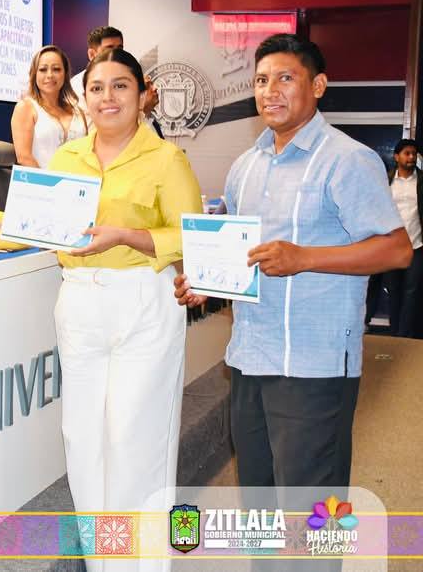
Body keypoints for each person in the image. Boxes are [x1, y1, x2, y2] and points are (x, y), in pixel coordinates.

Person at [0, 47, 202, 572]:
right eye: (96, 88)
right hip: (80, 303)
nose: (107, 97)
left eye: (120, 86)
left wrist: (126, 235)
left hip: (143, 302)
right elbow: (27, 225)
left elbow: (191, 238)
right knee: (83, 441)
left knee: (136, 441)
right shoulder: (67, 159)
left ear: (142, 95)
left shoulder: (166, 159)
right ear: (84, 98)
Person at [175, 33, 411, 489]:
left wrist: (304, 258)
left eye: (285, 78)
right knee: (258, 496)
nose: (270, 91)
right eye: (261, 80)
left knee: (311, 507)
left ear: (317, 85)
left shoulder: (347, 160)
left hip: (314, 363)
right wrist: (208, 283)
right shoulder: (245, 165)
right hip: (250, 356)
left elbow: (397, 249)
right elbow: (241, 254)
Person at [70, 25, 160, 134]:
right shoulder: (76, 86)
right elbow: (89, 129)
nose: (116, 54)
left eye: (119, 49)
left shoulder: (129, 78)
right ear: (92, 54)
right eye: (109, 49)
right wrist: (142, 110)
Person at [11, 45, 86, 169]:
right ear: (34, 74)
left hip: (77, 179)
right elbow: (24, 157)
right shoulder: (26, 107)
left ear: (65, 74)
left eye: (56, 69)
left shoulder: (79, 112)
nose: (50, 75)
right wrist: (48, 181)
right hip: (39, 180)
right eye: (43, 69)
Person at [385, 138, 423, 337]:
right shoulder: (387, 180)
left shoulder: (421, 180)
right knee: (393, 291)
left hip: (417, 245)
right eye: (407, 153)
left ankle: (404, 335)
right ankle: (394, 333)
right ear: (396, 156)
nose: (411, 157)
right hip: (392, 247)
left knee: (412, 292)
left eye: (414, 154)